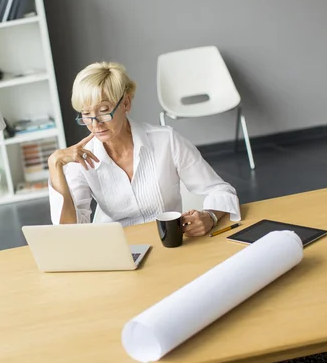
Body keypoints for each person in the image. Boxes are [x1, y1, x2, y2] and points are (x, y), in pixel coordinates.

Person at [47, 61, 241, 236]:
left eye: (104, 111)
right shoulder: (79, 160)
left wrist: (210, 216)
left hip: (170, 244)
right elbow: (70, 233)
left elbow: (220, 190)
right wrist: (55, 164)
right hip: (120, 252)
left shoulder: (166, 141)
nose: (95, 123)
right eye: (86, 114)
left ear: (125, 103)